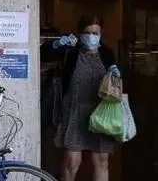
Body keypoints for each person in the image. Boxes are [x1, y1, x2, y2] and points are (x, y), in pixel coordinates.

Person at [41, 15, 121, 181]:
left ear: (101, 34)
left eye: (95, 33)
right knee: (72, 161)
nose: (91, 36)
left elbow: (114, 79)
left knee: (101, 160)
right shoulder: (71, 50)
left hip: (101, 113)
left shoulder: (106, 53)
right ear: (80, 33)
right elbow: (43, 54)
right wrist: (56, 44)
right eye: (87, 32)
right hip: (74, 111)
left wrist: (115, 73)